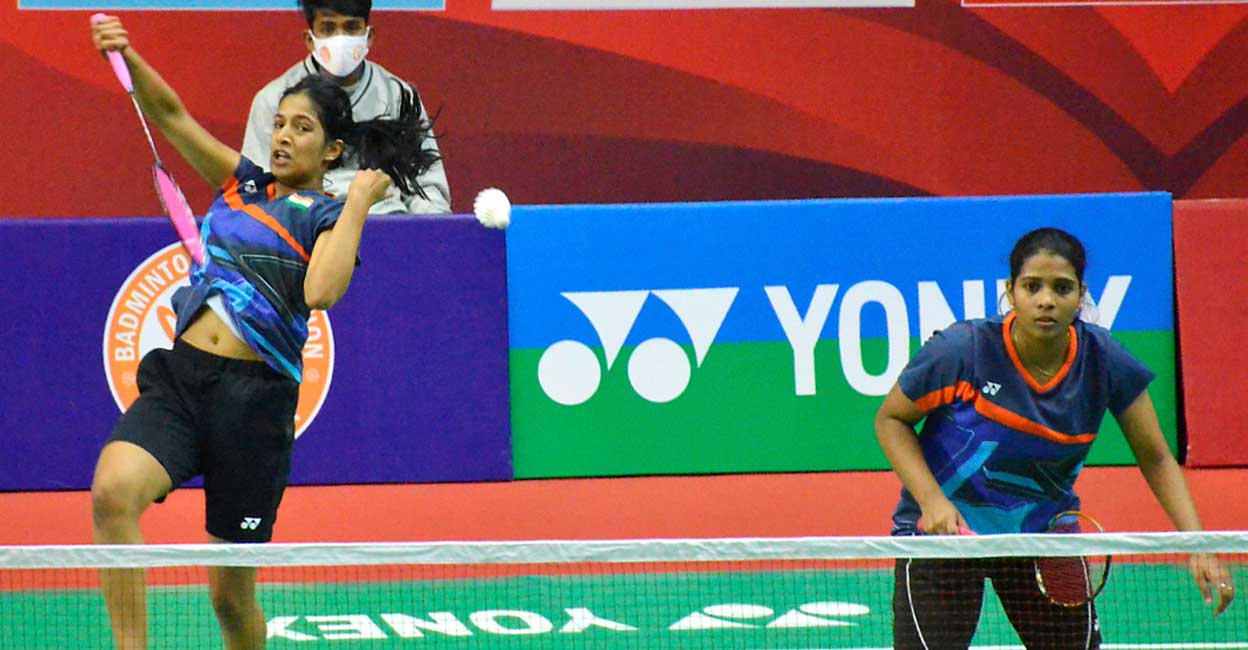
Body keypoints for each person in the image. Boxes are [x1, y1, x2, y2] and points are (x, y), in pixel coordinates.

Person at [89, 15, 438, 650]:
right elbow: (172, 117)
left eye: (301, 128)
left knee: (229, 597)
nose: (281, 136)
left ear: (332, 149)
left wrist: (358, 201)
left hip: (255, 406)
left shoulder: (327, 216)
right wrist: (128, 55)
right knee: (113, 492)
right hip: (183, 381)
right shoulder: (244, 184)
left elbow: (321, 292)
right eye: (279, 123)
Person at [874, 227, 1236, 649]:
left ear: (1080, 295)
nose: (1046, 299)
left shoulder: (1104, 362)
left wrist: (1198, 544)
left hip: (1041, 537)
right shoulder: (963, 350)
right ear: (1011, 292)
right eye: (1032, 286)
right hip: (943, 538)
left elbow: (1155, 456)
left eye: (1061, 288)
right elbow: (891, 420)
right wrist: (932, 500)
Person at [241, 0, 450, 215]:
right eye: (328, 28)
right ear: (310, 39)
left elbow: (427, 189)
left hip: (387, 226)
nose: (340, 39)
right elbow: (256, 192)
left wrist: (427, 231)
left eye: (351, 28)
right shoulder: (273, 100)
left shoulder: (398, 95)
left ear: (368, 36)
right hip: (305, 231)